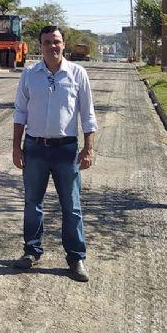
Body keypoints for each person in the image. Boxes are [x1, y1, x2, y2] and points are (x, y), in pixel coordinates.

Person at [12, 25, 98, 282]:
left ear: (64, 44)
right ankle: (31, 250)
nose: (52, 46)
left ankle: (76, 257)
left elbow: (88, 114)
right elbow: (20, 112)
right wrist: (16, 147)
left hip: (66, 150)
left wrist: (88, 148)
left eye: (56, 41)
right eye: (47, 42)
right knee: (32, 203)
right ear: (40, 45)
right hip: (35, 148)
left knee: (71, 206)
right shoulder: (30, 74)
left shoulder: (77, 74)